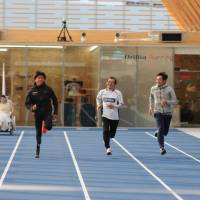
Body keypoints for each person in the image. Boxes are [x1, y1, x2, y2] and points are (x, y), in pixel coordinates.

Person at [25, 71, 58, 158]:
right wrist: (32, 107)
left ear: (44, 79)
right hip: (37, 114)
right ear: (35, 80)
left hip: (47, 112)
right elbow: (27, 103)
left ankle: (45, 125)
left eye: (41, 78)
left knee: (49, 126)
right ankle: (38, 147)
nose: (40, 79)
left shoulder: (48, 89)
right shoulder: (31, 91)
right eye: (38, 78)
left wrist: (55, 112)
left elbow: (55, 100)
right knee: (38, 133)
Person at [149, 72, 177, 155]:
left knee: (165, 132)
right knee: (161, 129)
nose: (157, 81)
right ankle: (162, 147)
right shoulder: (153, 88)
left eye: (159, 79)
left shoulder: (170, 89)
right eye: (157, 79)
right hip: (158, 112)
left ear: (164, 80)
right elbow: (150, 97)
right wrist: (150, 107)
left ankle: (158, 132)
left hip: (168, 113)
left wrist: (167, 102)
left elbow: (175, 101)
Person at [96, 77, 124, 155]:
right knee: (105, 131)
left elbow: (121, 104)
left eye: (112, 82)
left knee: (112, 134)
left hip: (115, 117)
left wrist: (114, 106)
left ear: (115, 84)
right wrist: (98, 105)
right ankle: (108, 148)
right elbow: (98, 98)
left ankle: (107, 138)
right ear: (106, 83)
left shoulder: (118, 93)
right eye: (108, 82)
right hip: (105, 115)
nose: (110, 84)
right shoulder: (102, 92)